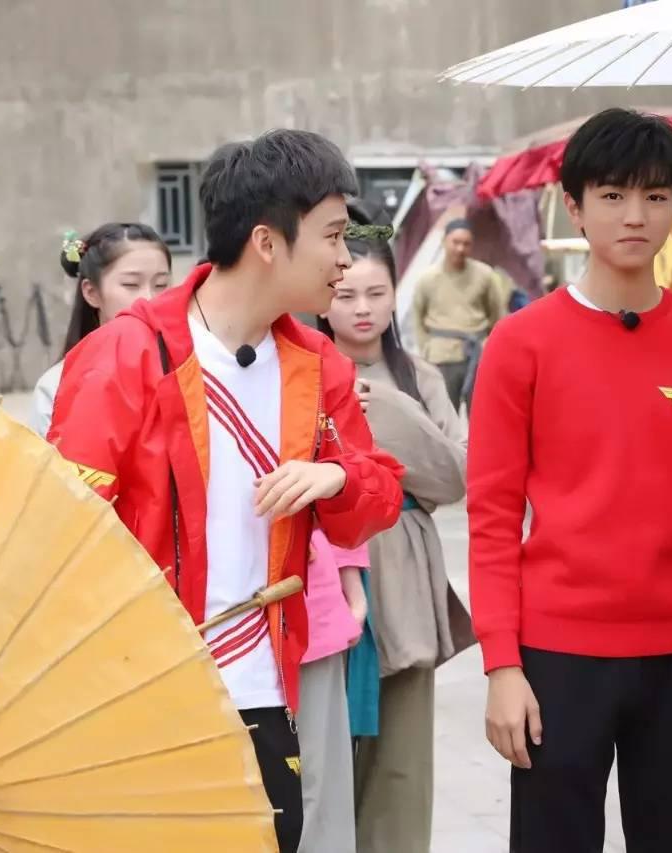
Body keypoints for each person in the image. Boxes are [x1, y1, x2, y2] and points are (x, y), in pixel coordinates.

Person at [47, 129, 408, 853]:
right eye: (332, 235)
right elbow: (60, 534)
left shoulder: (319, 363)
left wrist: (338, 476)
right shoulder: (126, 353)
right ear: (267, 242)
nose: (345, 258)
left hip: (266, 689)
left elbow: (374, 503)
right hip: (144, 694)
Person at [469, 108, 672, 853]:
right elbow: (491, 516)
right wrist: (502, 665)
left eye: (654, 196)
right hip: (557, 652)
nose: (635, 215)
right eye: (612, 195)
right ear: (575, 207)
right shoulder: (520, 343)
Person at [317, 215, 475, 853]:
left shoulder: (420, 379)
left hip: (403, 563)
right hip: (327, 568)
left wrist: (385, 408)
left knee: (402, 757)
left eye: (376, 293)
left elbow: (455, 477)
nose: (361, 308)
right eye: (346, 294)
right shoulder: (299, 371)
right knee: (324, 748)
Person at [32, 223, 171, 436]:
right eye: (131, 284)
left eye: (161, 285)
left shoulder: (187, 369)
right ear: (91, 293)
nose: (149, 299)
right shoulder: (55, 387)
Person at [297, 532, 368, 853]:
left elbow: (338, 506)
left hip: (309, 605)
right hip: (207, 612)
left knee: (318, 785)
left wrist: (352, 584)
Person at [411, 219, 506, 414]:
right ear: (444, 241)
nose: (460, 248)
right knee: (442, 415)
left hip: (478, 355)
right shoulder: (427, 279)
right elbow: (418, 317)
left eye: (466, 243)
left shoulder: (485, 275)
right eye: (455, 242)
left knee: (482, 414)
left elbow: (498, 315)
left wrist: (490, 346)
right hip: (441, 356)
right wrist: (426, 347)